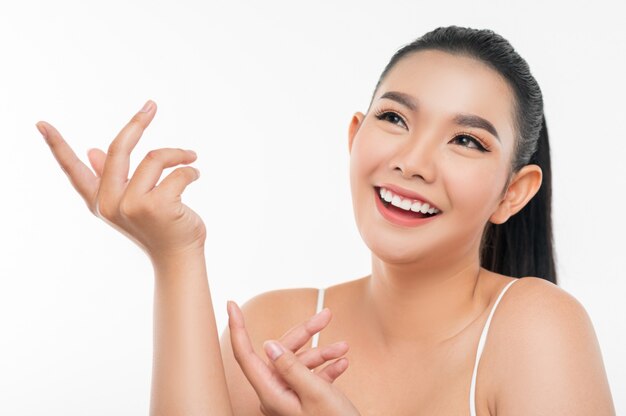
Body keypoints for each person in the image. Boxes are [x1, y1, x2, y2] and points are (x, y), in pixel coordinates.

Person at [37, 26, 615, 415]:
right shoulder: (276, 325)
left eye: (466, 140)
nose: (411, 162)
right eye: (394, 118)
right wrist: (175, 256)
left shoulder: (535, 328)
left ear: (513, 193)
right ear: (354, 136)